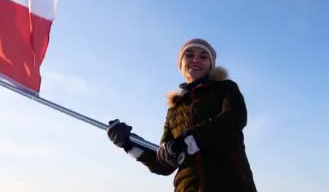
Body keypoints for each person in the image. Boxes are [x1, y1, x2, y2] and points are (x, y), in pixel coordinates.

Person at [107, 38, 257, 192]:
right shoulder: (174, 110)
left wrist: (190, 141)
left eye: (203, 57)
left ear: (211, 65)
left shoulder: (226, 88)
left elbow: (234, 118)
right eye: (189, 55)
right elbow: (164, 163)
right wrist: (129, 143)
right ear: (181, 63)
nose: (195, 60)